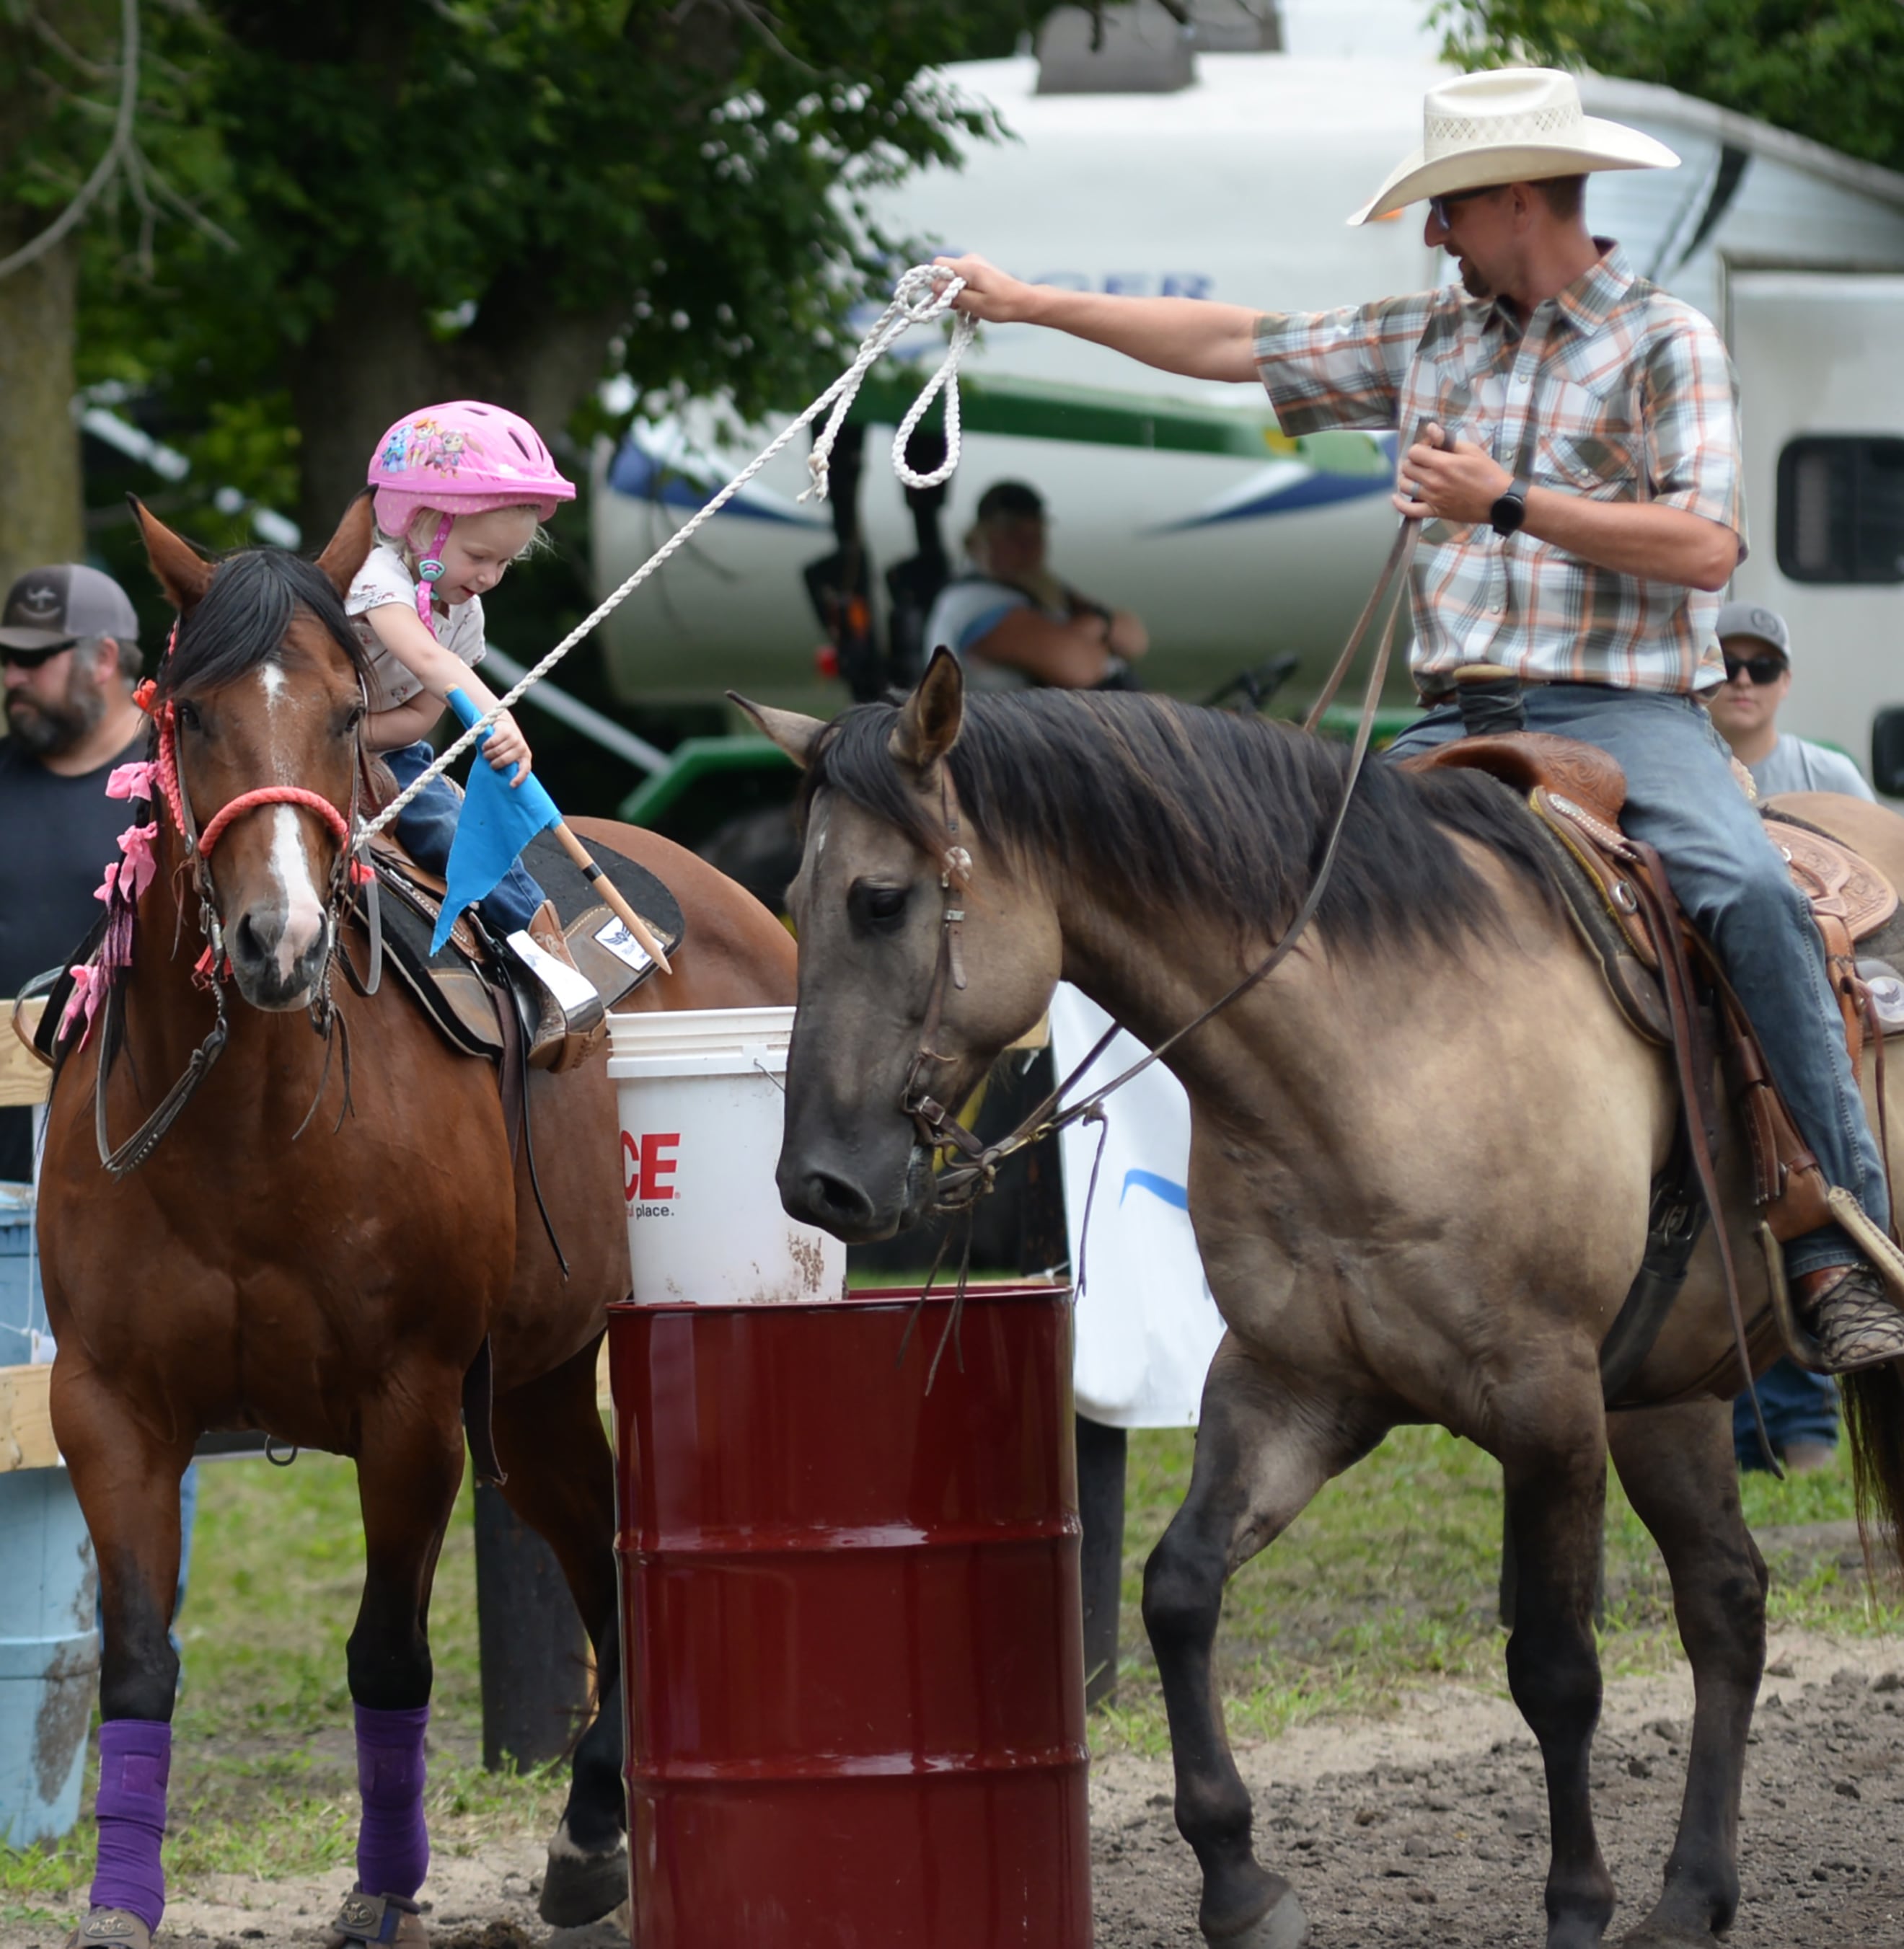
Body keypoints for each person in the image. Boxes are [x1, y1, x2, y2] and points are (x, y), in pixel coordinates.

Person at [933, 64, 1904, 1372]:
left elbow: (1705, 547)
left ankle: (1840, 1236)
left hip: (1627, 718)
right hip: (1446, 729)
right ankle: (1322, 1233)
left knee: (1751, 892)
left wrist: (1510, 501)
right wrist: (1022, 302)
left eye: (1446, 210)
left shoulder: (1665, 340)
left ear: (1514, 202)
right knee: (1260, 902)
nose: (1432, 236)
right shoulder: (1429, 336)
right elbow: (1233, 344)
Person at [0, 563, 200, 1627]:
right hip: (1, 1192)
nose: (13, 679)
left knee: (140, 1425)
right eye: (6, 660)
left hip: (137, 1185)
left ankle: (128, 1644)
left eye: (34, 660)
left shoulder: (171, 795)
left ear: (108, 661)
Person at [353, 400, 601, 1069]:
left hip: (385, 750)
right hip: (297, 744)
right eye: (479, 555)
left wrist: (356, 737)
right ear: (422, 524)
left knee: (447, 821)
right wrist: (494, 712)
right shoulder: (379, 581)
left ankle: (541, 952)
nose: (489, 576)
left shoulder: (465, 618)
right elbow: (430, 660)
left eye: (505, 564)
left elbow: (416, 720)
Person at [922, 479, 1149, 689]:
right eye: (1013, 534)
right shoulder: (972, 601)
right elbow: (1081, 667)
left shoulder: (1043, 586)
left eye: (1037, 534)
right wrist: (1094, 631)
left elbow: (1135, 639)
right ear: (979, 538)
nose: (1028, 547)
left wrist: (1093, 626)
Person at [1708, 601, 1874, 801]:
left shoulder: (1831, 778)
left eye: (1763, 667)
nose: (1744, 681)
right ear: (1702, 675)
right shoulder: (1676, 773)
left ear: (1786, 681)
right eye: (1728, 665)